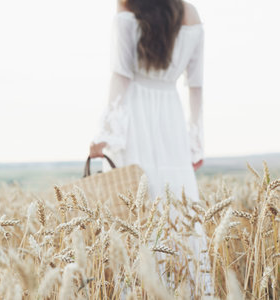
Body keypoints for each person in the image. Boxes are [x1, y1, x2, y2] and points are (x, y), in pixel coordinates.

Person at [89, 0, 213, 297]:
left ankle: (140, 290)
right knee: (178, 207)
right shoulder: (191, 13)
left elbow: (121, 75)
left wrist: (105, 133)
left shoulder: (127, 11)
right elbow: (196, 85)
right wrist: (195, 140)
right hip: (171, 118)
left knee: (134, 208)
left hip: (134, 119)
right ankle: (188, 289)